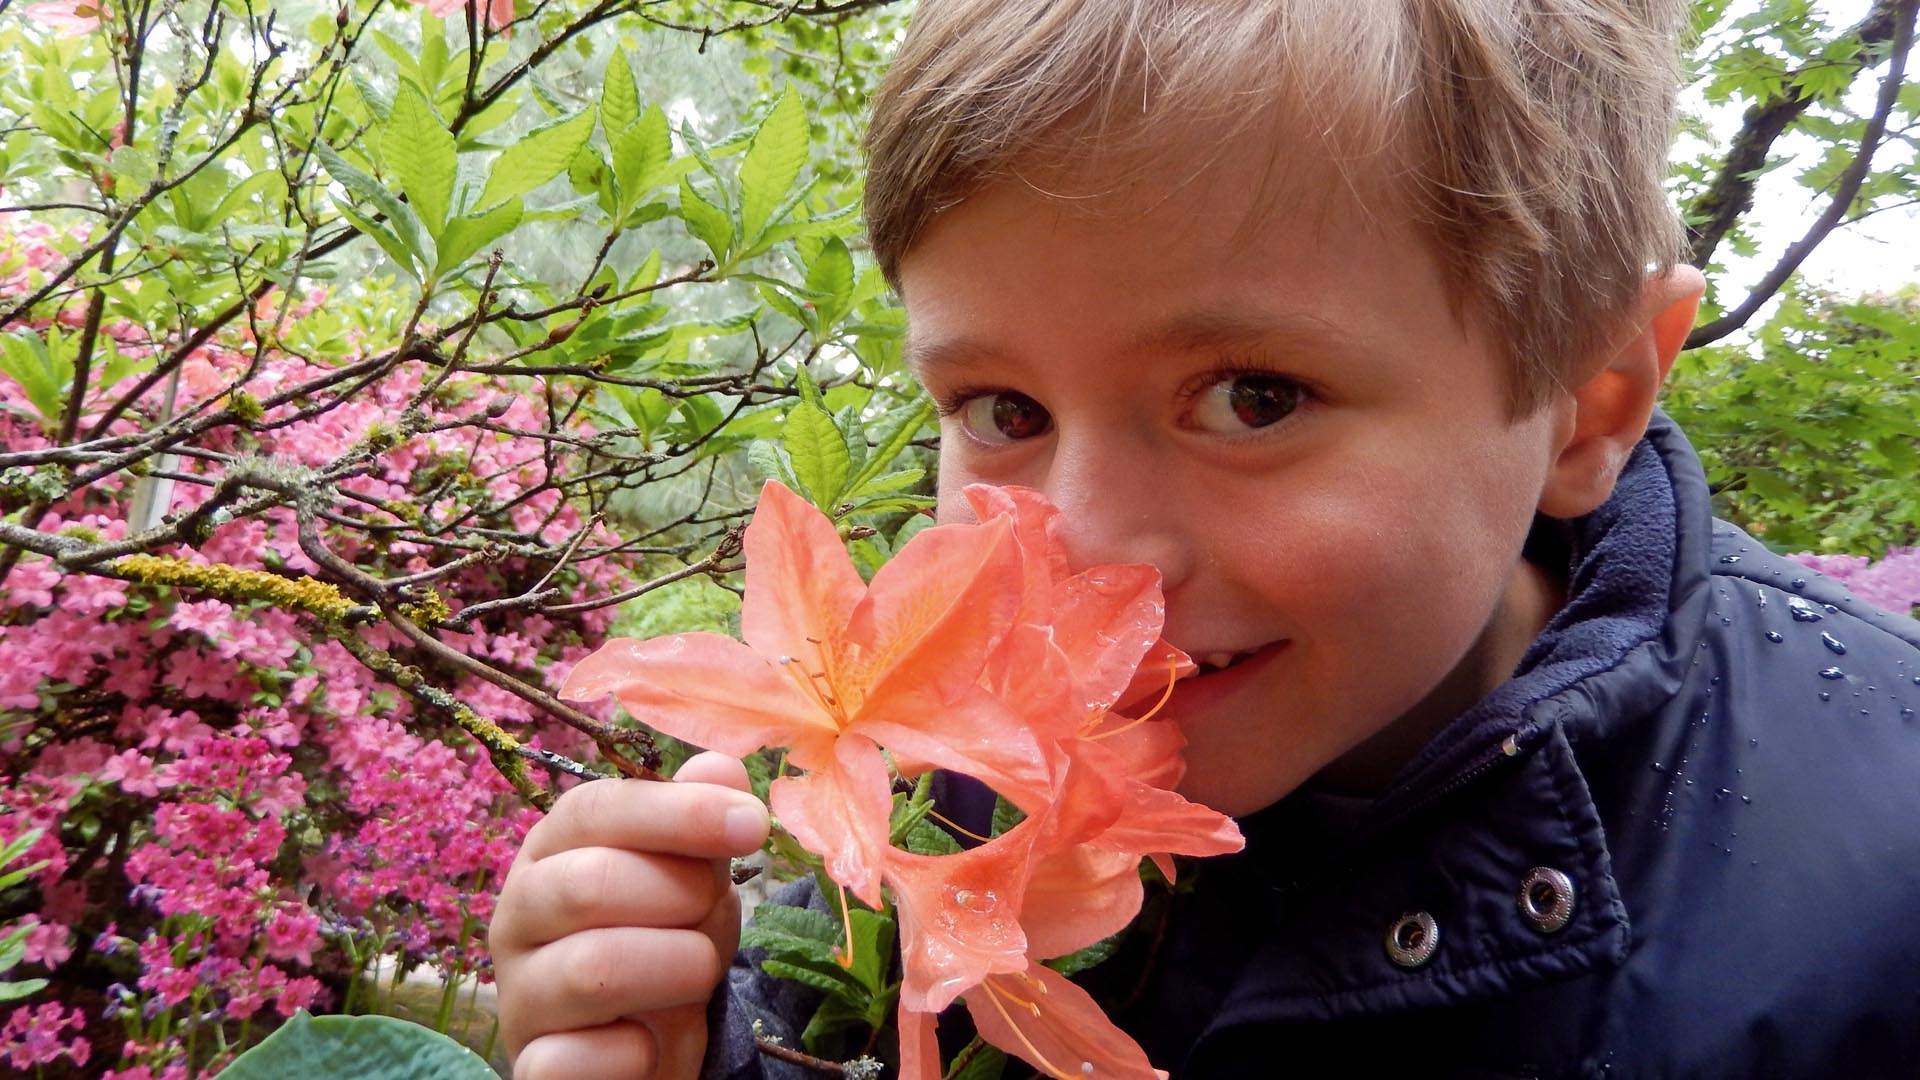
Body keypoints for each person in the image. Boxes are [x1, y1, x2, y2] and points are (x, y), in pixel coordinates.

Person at [488, 1, 1920, 1077]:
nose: (1086, 562)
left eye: (1255, 398)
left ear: (1585, 404)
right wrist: (704, 1050)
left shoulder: (1880, 883)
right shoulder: (969, 784)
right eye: (1000, 407)